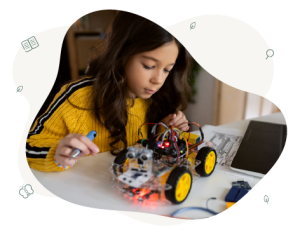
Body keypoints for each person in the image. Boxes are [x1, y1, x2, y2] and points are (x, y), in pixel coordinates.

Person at [26, 10, 194, 172]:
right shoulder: (77, 97)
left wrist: (165, 130)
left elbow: (148, 151)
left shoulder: (156, 99)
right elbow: (28, 147)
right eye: (149, 66)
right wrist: (56, 153)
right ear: (121, 53)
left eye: (167, 70)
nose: (158, 80)